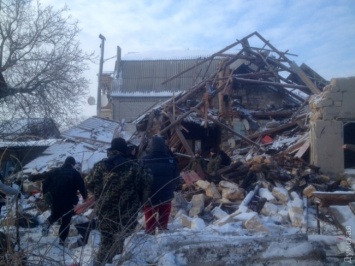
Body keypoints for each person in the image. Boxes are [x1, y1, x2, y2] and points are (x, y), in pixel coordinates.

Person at [85, 137, 152, 264]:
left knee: (105, 241)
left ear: (111, 150)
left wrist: (99, 192)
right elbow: (147, 180)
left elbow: (88, 183)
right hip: (127, 213)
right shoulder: (132, 166)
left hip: (104, 212)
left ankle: (102, 262)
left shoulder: (99, 166)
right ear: (124, 150)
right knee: (123, 241)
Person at [28, 156, 87, 246]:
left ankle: (47, 223)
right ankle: (62, 241)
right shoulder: (75, 173)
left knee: (55, 214)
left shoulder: (55, 171)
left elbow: (44, 181)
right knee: (66, 220)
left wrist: (45, 195)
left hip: (54, 199)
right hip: (68, 200)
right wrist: (85, 197)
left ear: (65, 162)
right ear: (72, 164)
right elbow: (82, 187)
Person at [141, 136, 180, 234]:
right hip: (166, 196)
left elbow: (140, 179)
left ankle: (150, 234)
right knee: (163, 221)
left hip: (150, 196)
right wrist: (171, 189)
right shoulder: (171, 160)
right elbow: (176, 178)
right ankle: (162, 236)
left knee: (150, 223)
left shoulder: (144, 160)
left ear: (151, 146)